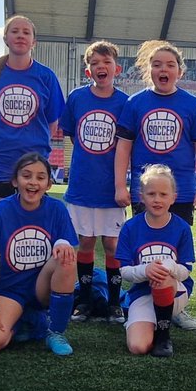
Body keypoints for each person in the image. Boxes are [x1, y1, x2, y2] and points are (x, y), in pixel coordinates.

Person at [114, 39, 196, 330]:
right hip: (145, 191)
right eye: (157, 64)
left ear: (180, 72)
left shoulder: (191, 104)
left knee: (177, 252)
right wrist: (121, 185)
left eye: (170, 64)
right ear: (149, 71)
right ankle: (138, 304)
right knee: (143, 248)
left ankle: (175, 306)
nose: (163, 69)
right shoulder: (136, 103)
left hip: (178, 191)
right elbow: (123, 147)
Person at [0, 153, 78, 356]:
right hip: (11, 291)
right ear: (15, 181)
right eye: (26, 176)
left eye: (40, 177)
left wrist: (62, 243)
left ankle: (55, 332)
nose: (33, 182)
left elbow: (64, 240)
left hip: (42, 287)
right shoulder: (0, 210)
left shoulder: (56, 208)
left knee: (66, 258)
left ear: (49, 184)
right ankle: (25, 320)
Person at [60, 40, 128, 323]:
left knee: (112, 245)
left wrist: (120, 183)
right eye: (95, 64)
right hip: (82, 185)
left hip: (110, 188)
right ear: (88, 71)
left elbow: (126, 144)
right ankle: (85, 301)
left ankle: (114, 303)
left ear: (117, 68)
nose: (101, 67)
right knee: (85, 242)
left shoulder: (125, 102)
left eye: (106, 62)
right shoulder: (77, 98)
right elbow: (73, 136)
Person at [0, 15, 64, 213]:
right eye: (15, 31)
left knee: (30, 229)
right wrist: (1, 140)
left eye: (26, 32)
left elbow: (52, 122)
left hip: (34, 163)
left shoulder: (46, 76)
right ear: (5, 38)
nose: (20, 36)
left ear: (34, 41)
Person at [117, 164, 195, 357]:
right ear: (141, 197)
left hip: (174, 291)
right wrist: (145, 270)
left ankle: (163, 335)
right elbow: (124, 271)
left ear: (173, 197)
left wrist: (167, 267)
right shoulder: (130, 228)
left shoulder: (182, 228)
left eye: (163, 194)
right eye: (151, 194)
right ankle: (144, 321)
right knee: (138, 347)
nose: (157, 199)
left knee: (162, 277)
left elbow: (185, 271)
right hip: (143, 293)